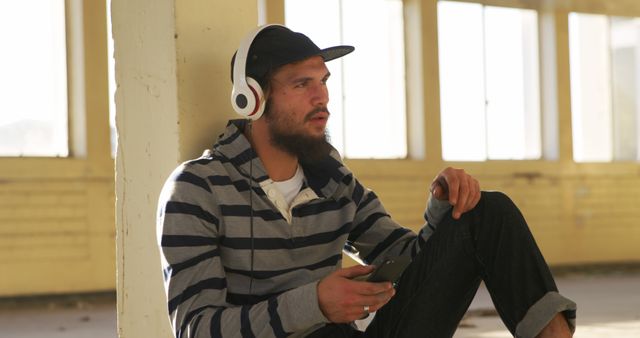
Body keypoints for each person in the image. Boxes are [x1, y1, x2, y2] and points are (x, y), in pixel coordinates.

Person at [157, 24, 576, 338]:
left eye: (322, 82)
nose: (321, 98)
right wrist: (315, 302)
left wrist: (445, 212)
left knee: (487, 210)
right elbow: (197, 328)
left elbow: (407, 262)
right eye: (302, 84)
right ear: (251, 98)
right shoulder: (197, 188)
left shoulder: (332, 177)